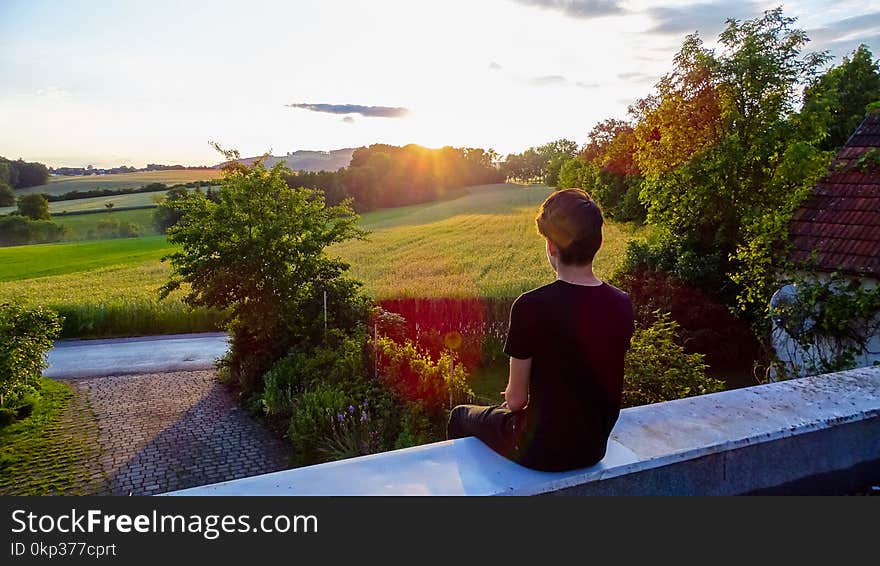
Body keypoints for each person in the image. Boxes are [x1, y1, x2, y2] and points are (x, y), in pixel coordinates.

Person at [447, 188, 634, 472]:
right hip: (594, 448)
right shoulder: (622, 303)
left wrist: (514, 397)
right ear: (599, 242)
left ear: (551, 247)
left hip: (542, 452)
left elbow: (516, 400)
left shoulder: (530, 306)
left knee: (460, 415)